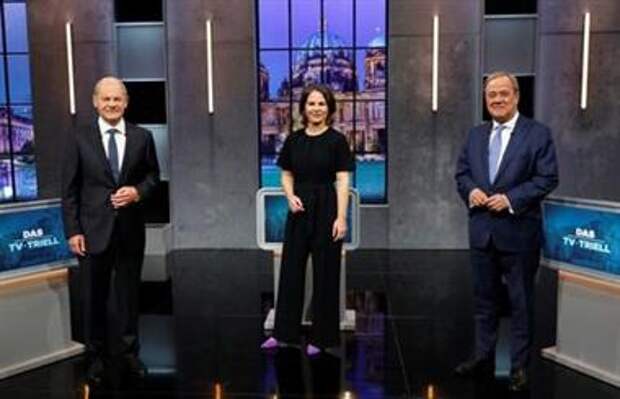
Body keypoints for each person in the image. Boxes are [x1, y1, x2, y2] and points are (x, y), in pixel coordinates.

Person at [454, 71, 559, 391]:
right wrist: (470, 191)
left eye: (503, 94)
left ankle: (519, 367)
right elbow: (462, 173)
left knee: (520, 302)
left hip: (519, 232)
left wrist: (511, 199)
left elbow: (547, 178)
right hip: (482, 231)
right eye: (491, 95)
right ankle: (483, 356)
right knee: (484, 300)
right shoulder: (475, 134)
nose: (497, 100)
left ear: (516, 96)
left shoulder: (538, 134)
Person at [61, 76, 160, 382]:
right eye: (106, 99)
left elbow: (153, 177)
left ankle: (130, 354)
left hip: (130, 230)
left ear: (126, 102)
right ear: (95, 102)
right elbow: (69, 189)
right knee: (93, 296)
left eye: (117, 99)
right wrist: (73, 231)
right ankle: (95, 356)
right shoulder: (79, 137)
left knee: (129, 295)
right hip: (91, 231)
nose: (112, 104)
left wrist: (137, 192)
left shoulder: (142, 137)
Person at [261, 84, 355, 356]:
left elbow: (343, 180)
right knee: (291, 271)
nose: (316, 108)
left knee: (326, 274)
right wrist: (289, 196)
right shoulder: (294, 140)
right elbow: (286, 174)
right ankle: (282, 334)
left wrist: (341, 217)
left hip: (327, 208)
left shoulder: (337, 141)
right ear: (303, 108)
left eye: (322, 104)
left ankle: (322, 339)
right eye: (311, 104)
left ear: (329, 109)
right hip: (299, 209)